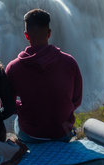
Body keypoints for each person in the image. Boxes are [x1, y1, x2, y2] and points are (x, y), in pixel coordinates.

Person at [5, 8, 83, 142]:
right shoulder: (70, 62)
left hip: (31, 134)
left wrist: (28, 107)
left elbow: (8, 105)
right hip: (63, 132)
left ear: (26, 35)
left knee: (17, 120)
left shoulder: (13, 68)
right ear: (49, 33)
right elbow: (76, 101)